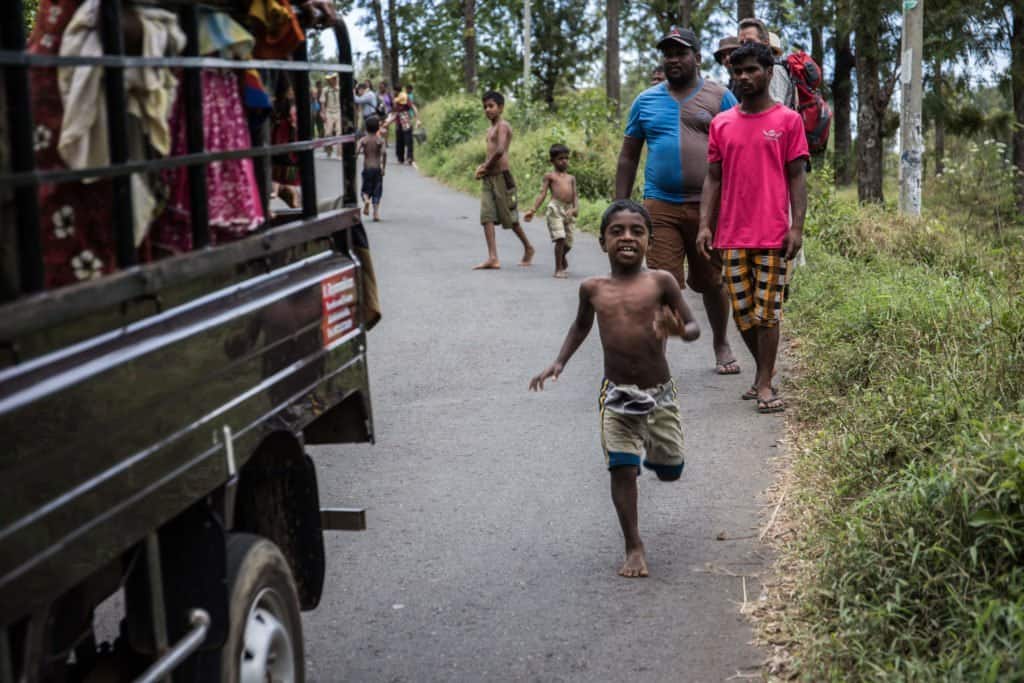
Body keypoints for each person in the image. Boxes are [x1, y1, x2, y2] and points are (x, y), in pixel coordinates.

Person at [529, 200, 700, 578]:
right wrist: (559, 362)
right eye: (616, 231)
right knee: (621, 470)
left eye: (637, 231)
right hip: (617, 395)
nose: (627, 237)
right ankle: (633, 546)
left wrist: (678, 330)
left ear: (649, 242)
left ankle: (659, 456)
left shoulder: (661, 282)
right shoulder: (592, 289)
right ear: (603, 241)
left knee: (670, 470)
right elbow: (580, 327)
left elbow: (693, 328)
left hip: (659, 395)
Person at [615, 26, 741, 376]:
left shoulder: (720, 97)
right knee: (660, 281)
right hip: (660, 205)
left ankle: (720, 342)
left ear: (697, 58)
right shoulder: (646, 101)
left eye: (680, 52)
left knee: (712, 281)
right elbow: (628, 157)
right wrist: (619, 208)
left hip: (708, 208)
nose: (673, 59)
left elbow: (737, 152)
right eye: (668, 53)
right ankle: (656, 355)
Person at [696, 41, 808, 414]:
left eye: (751, 70)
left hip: (774, 234)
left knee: (768, 312)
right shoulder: (721, 124)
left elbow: (797, 177)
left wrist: (797, 228)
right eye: (737, 71)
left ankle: (763, 384)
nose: (743, 77)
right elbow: (713, 178)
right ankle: (765, 369)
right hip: (731, 235)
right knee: (744, 315)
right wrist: (704, 226)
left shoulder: (788, 121)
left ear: (768, 72)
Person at [472, 91, 535, 270]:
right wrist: (484, 168)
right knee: (487, 216)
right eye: (485, 107)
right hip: (488, 177)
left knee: (510, 218)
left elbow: (500, 150)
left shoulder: (503, 126)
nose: (487, 110)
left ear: (500, 107)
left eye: (491, 106)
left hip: (502, 177)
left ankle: (528, 247)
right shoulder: (489, 129)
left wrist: (484, 166)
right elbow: (491, 152)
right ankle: (493, 257)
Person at [524, 144, 578, 279]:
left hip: (568, 209)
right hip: (555, 208)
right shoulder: (550, 176)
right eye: (560, 158)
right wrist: (533, 209)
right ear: (552, 161)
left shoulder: (571, 178)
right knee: (560, 238)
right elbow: (542, 194)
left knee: (569, 243)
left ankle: (562, 257)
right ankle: (558, 268)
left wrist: (575, 209)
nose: (564, 161)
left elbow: (575, 195)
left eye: (566, 158)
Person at [737, 18, 795, 109]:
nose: (744, 46)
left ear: (766, 43)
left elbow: (776, 111)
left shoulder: (776, 70)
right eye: (741, 43)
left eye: (750, 41)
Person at [357, 116, 386, 221]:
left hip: (367, 168)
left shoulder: (363, 140)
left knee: (365, 189)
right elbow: (384, 153)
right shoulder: (380, 140)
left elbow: (356, 152)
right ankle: (376, 213)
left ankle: (366, 200)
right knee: (377, 191)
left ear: (366, 128)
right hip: (377, 169)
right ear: (378, 128)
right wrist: (383, 167)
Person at [321, 73, 342, 157]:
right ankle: (329, 150)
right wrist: (323, 113)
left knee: (339, 132)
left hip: (338, 111)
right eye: (328, 79)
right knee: (328, 133)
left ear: (335, 79)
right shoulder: (325, 90)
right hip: (329, 112)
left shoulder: (340, 89)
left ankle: (339, 153)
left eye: (332, 79)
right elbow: (322, 102)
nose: (329, 81)